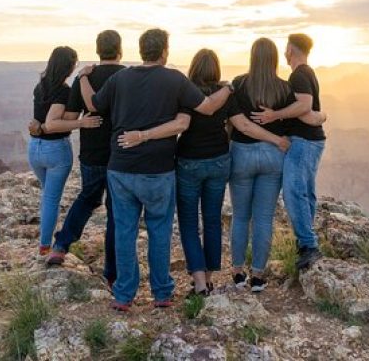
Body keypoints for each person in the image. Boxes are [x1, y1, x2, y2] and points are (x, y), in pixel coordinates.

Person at [79, 28, 230, 311]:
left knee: (124, 231)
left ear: (140, 50)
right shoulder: (174, 79)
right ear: (164, 51)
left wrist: (83, 77)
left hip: (121, 169)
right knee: (159, 231)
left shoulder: (119, 78)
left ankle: (124, 295)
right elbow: (206, 109)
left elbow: (92, 104)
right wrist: (230, 87)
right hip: (158, 170)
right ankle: (162, 293)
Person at [29, 30, 125, 287]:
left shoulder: (86, 78)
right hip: (122, 154)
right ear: (120, 50)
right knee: (116, 212)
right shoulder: (128, 76)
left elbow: (69, 119)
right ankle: (111, 274)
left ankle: (60, 245)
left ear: (98, 50)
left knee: (88, 198)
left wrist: (81, 121)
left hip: (92, 154)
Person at [226, 38, 297, 293]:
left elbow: (236, 124)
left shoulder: (239, 84)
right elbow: (291, 126)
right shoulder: (285, 89)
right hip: (273, 157)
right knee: (264, 218)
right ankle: (257, 276)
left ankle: (237, 273)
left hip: (242, 155)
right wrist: (278, 138)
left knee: (241, 215)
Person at [251, 33, 327, 270]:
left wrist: (275, 114)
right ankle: (305, 242)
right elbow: (311, 109)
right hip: (312, 140)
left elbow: (305, 105)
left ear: (290, 50)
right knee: (305, 192)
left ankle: (309, 245)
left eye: (286, 49)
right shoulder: (308, 72)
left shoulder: (299, 74)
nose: (284, 53)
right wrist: (319, 116)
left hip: (304, 142)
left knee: (293, 192)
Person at [29, 46, 101, 257]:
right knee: (51, 199)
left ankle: (45, 240)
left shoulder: (40, 86)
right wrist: (82, 123)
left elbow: (41, 121)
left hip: (34, 149)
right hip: (55, 150)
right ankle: (45, 247)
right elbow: (51, 124)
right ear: (69, 66)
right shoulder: (63, 91)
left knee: (47, 196)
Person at [174, 49, 231, 297]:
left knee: (188, 221)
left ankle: (198, 282)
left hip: (189, 160)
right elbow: (232, 124)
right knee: (212, 219)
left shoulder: (186, 91)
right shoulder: (225, 93)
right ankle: (208, 278)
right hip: (219, 159)